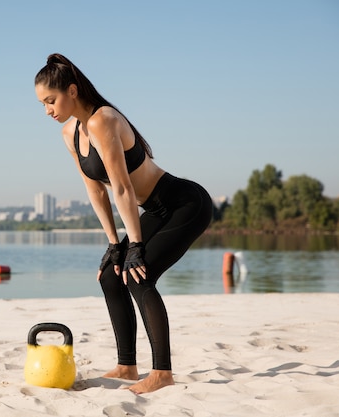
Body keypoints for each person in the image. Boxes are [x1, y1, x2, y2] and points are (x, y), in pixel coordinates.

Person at [34, 53, 213, 394]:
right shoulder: (70, 132)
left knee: (138, 274)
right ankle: (127, 365)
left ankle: (162, 372)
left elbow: (121, 187)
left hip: (185, 203)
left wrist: (134, 247)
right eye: (42, 104)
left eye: (50, 101)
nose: (47, 111)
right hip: (155, 210)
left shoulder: (104, 120)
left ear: (72, 91)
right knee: (110, 277)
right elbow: (96, 192)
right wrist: (114, 244)